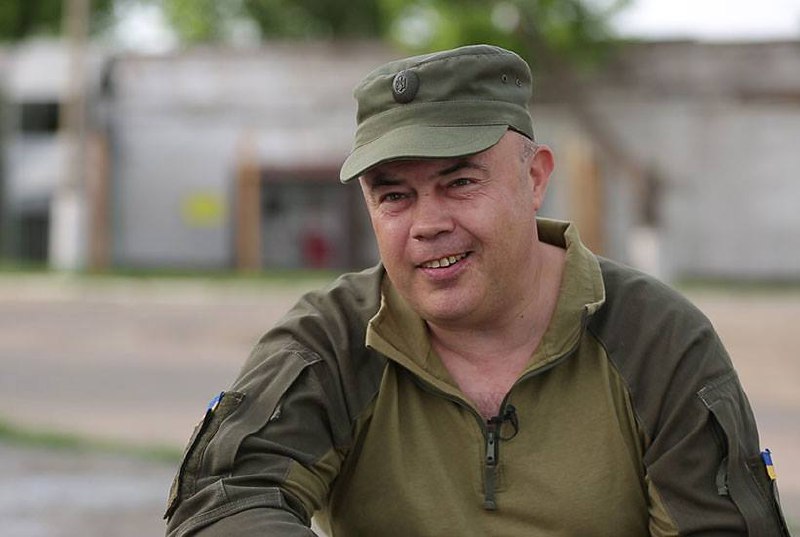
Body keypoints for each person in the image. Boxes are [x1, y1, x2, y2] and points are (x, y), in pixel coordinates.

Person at [164, 44, 790, 536]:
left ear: (535, 178)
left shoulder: (656, 339)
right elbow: (224, 499)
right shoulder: (334, 337)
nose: (428, 224)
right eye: (394, 196)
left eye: (460, 183)